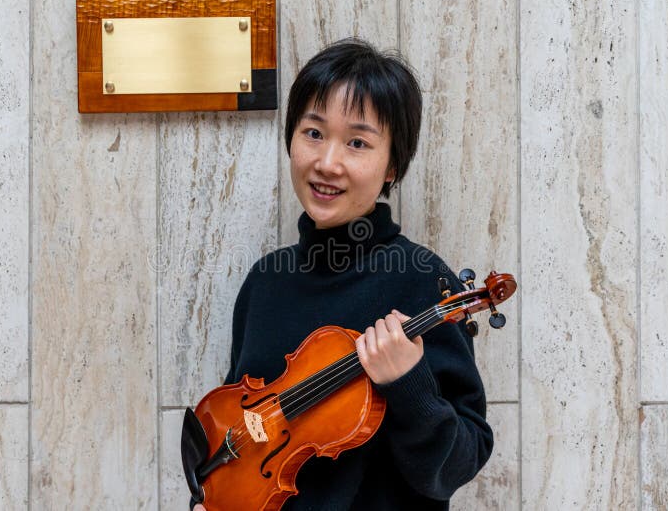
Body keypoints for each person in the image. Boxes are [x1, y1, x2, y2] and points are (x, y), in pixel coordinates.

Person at [190, 38, 492, 510]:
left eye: (357, 143)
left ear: (392, 165)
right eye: (313, 133)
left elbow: (457, 465)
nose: (327, 163)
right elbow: (241, 441)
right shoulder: (265, 283)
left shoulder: (423, 281)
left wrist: (409, 384)